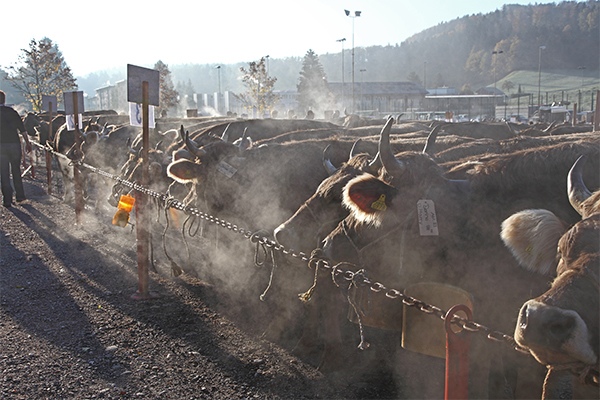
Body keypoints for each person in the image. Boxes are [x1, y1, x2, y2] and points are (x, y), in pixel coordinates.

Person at [0, 90, 32, 207]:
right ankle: (20, 197)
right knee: (16, 171)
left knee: (4, 173)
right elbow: (22, 129)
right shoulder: (12, 112)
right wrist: (28, 143)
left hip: (1, 147)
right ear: (4, 100)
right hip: (14, 145)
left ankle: (7, 200)